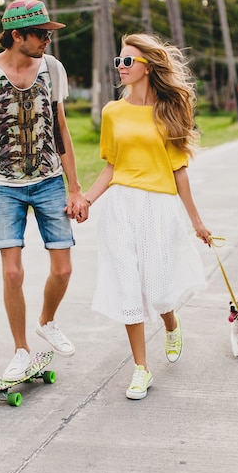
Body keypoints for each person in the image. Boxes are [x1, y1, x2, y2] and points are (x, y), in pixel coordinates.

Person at [0, 0, 84, 381]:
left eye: (48, 33)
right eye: (41, 34)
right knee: (12, 273)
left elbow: (61, 129)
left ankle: (47, 321)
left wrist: (75, 187)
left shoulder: (53, 68)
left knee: (63, 268)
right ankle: (21, 350)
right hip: (5, 186)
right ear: (16, 35)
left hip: (48, 182)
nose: (47, 40)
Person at [75, 33, 212, 400]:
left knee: (155, 287)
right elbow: (111, 166)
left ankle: (171, 322)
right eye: (118, 61)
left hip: (159, 207)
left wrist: (197, 222)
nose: (121, 67)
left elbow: (179, 170)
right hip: (120, 206)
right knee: (127, 285)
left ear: (147, 67)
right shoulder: (112, 112)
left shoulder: (168, 111)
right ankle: (141, 368)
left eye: (127, 61)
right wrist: (87, 199)